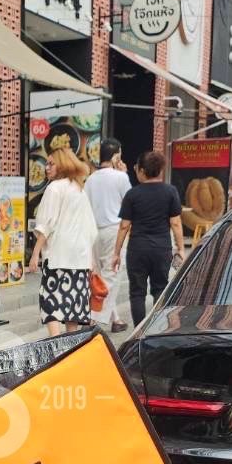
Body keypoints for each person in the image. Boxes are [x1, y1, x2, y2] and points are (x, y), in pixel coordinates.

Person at [27, 145, 97, 337]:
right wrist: (90, 258)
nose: (46, 167)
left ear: (62, 165)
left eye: (51, 164)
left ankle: (56, 342)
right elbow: (90, 228)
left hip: (58, 257)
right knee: (72, 306)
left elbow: (46, 224)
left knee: (50, 303)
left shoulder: (54, 188)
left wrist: (35, 253)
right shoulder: (79, 189)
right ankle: (70, 345)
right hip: (79, 259)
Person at [112, 149, 185, 327]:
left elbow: (124, 226)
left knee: (137, 293)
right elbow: (175, 223)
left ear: (142, 171)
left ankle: (139, 330)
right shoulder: (170, 191)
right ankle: (157, 328)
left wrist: (116, 253)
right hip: (162, 249)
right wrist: (181, 248)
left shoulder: (132, 194)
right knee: (160, 289)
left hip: (137, 249)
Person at [83, 137, 130, 331]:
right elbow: (130, 204)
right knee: (111, 277)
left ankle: (116, 320)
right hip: (114, 230)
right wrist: (124, 173)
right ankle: (94, 319)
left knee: (101, 276)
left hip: (94, 231)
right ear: (116, 156)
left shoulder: (90, 179)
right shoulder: (120, 177)